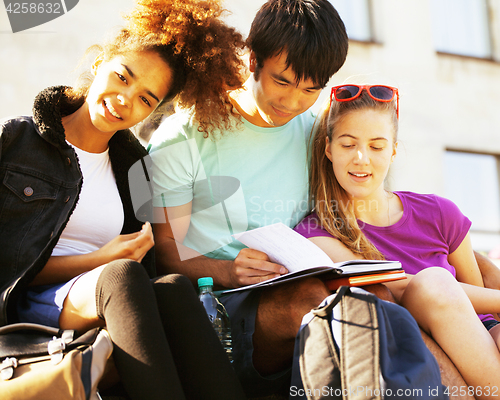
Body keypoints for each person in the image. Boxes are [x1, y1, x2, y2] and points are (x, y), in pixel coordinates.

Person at [0, 0, 247, 399]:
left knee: (173, 289)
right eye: (122, 76)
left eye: (147, 99)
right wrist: (101, 260)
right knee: (122, 275)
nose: (125, 98)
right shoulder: (17, 141)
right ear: (100, 63)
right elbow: (9, 264)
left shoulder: (137, 168)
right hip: (22, 307)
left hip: (100, 302)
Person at [149, 0, 348, 396]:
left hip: (297, 284)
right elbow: (165, 250)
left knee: (372, 299)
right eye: (283, 81)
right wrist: (227, 271)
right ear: (253, 59)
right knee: (311, 304)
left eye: (311, 89)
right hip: (217, 308)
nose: (292, 103)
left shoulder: (314, 134)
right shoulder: (179, 134)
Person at [294, 83, 500, 397]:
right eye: (348, 144)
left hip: (475, 338)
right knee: (434, 282)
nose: (362, 158)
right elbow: (399, 284)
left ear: (392, 149)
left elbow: (480, 307)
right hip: (404, 349)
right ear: (328, 148)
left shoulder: (440, 212)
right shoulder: (314, 232)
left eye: (377, 146)